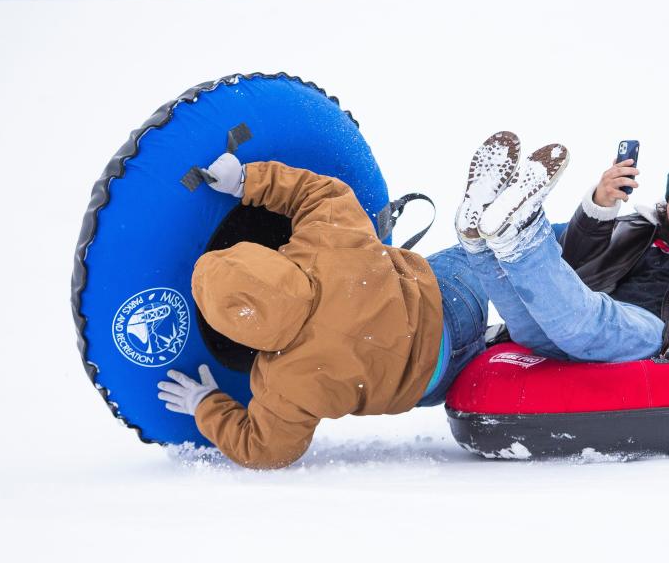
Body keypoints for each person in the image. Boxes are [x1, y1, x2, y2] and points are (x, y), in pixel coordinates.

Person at [158, 155, 491, 469]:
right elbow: (318, 191)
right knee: (488, 254)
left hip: (435, 380)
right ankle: (520, 240)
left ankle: (491, 349)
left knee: (442, 367)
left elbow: (265, 450)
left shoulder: (284, 383)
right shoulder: (325, 239)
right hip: (453, 300)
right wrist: (245, 181)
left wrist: (204, 404)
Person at [454, 132, 669, 362]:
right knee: (528, 320)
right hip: (581, 325)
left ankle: (523, 231)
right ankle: (481, 240)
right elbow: (566, 275)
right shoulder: (641, 227)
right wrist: (600, 207)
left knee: (592, 319)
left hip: (655, 333)